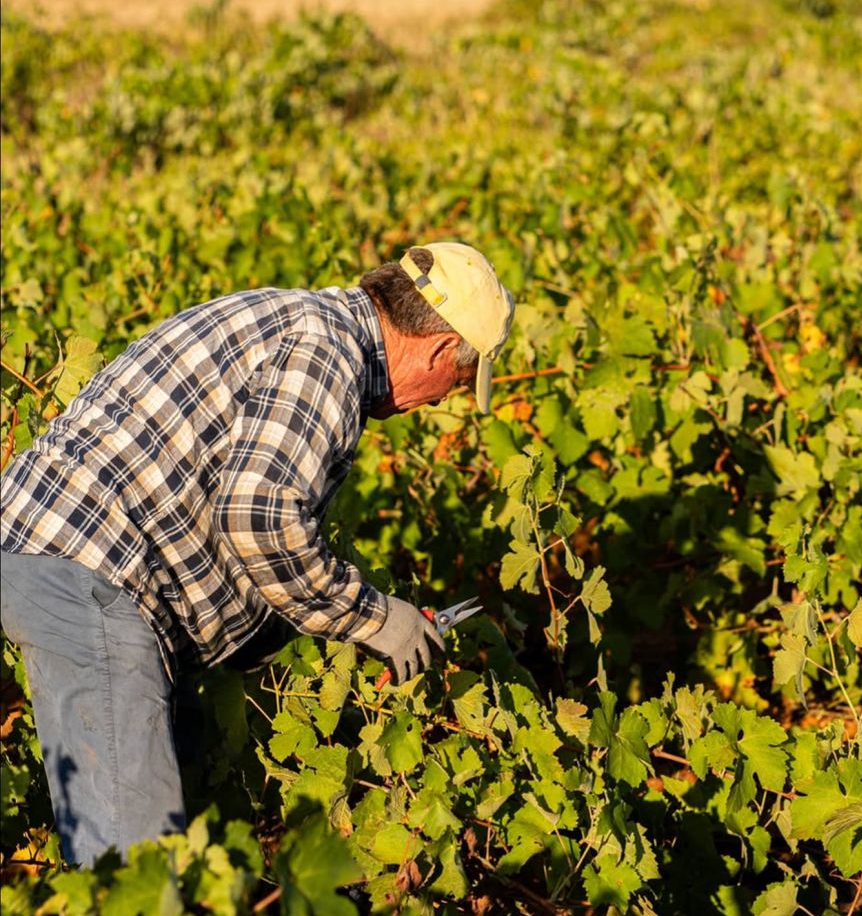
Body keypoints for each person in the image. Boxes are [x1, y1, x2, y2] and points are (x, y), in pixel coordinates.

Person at [0, 242, 515, 867]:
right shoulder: (330, 356)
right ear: (437, 350)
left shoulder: (295, 318)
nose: (442, 401)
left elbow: (220, 493)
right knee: (132, 876)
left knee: (156, 812)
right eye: (457, 383)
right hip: (92, 577)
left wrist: (264, 627)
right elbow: (260, 517)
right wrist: (379, 618)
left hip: (44, 551)